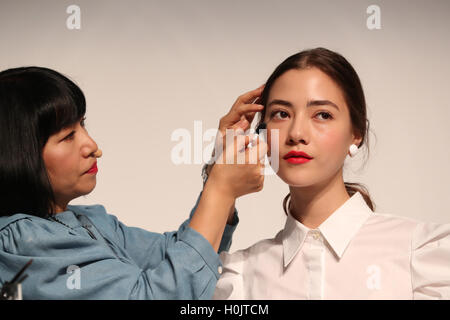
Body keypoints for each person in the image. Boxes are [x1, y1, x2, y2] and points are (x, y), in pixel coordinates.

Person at [0, 66, 266, 299]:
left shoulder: (91, 221)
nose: (92, 146)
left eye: (83, 125)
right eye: (68, 135)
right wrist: (220, 189)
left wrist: (220, 165)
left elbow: (178, 256)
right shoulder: (24, 243)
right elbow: (164, 293)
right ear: (18, 153)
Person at [213, 47, 450, 300]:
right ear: (262, 131)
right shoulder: (242, 273)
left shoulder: (419, 252)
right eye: (281, 114)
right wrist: (218, 174)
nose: (296, 133)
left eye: (322, 115)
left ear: (356, 133)